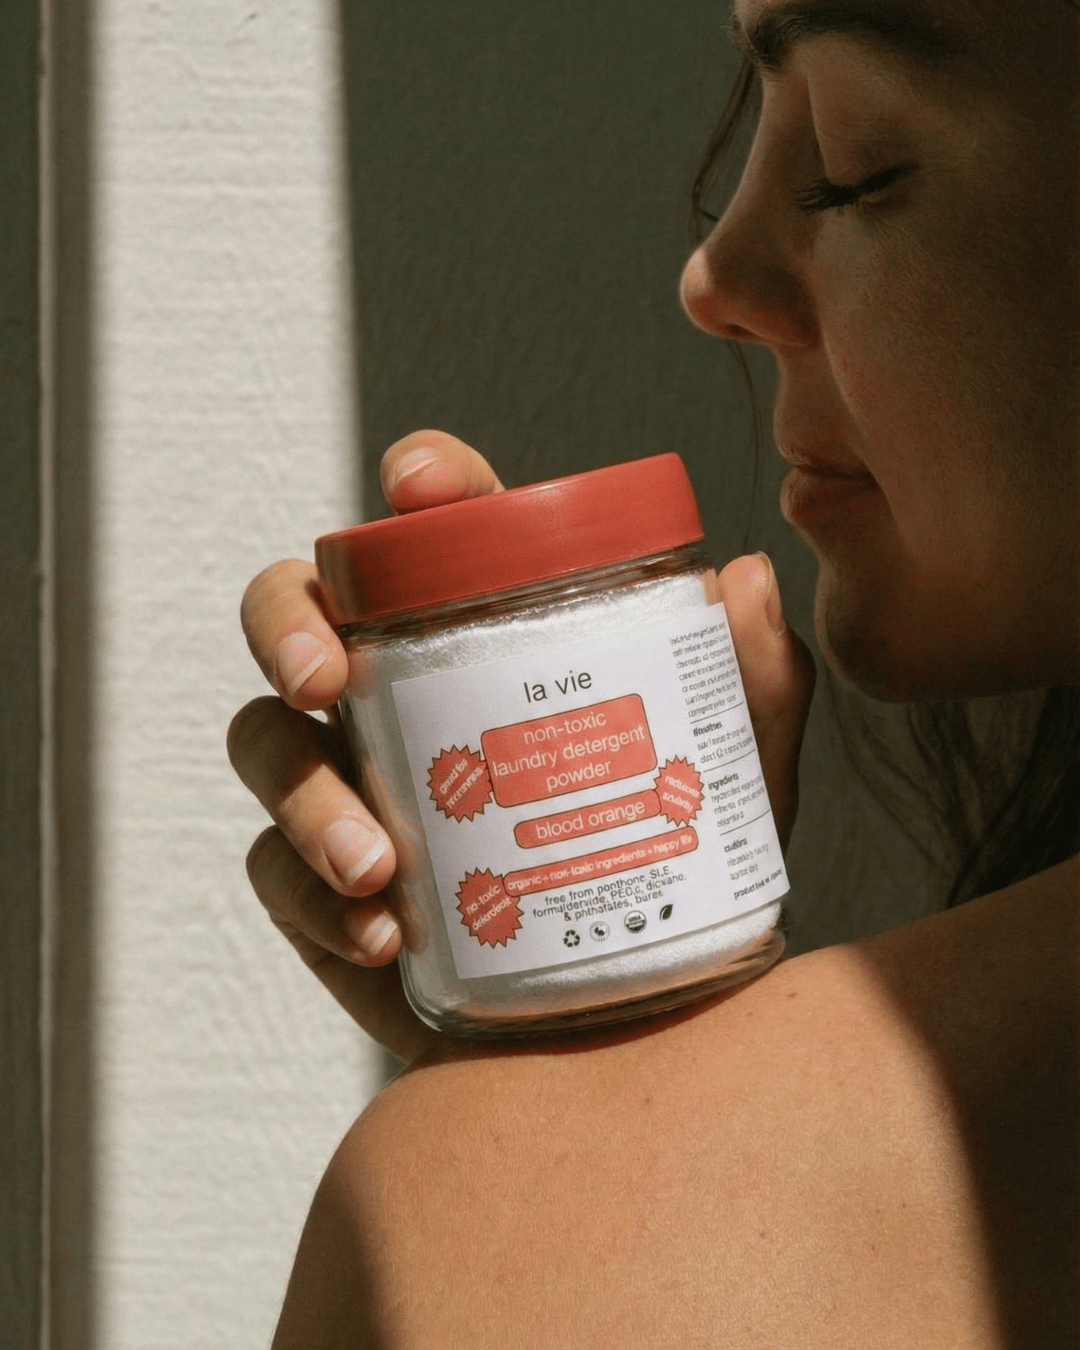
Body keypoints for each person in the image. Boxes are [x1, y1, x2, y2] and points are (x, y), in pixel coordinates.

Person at [227, 0, 1079, 1344]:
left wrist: (561, 1169)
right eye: (751, 121)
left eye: (847, 163)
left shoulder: (471, 1209)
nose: (713, 273)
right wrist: (599, 1052)